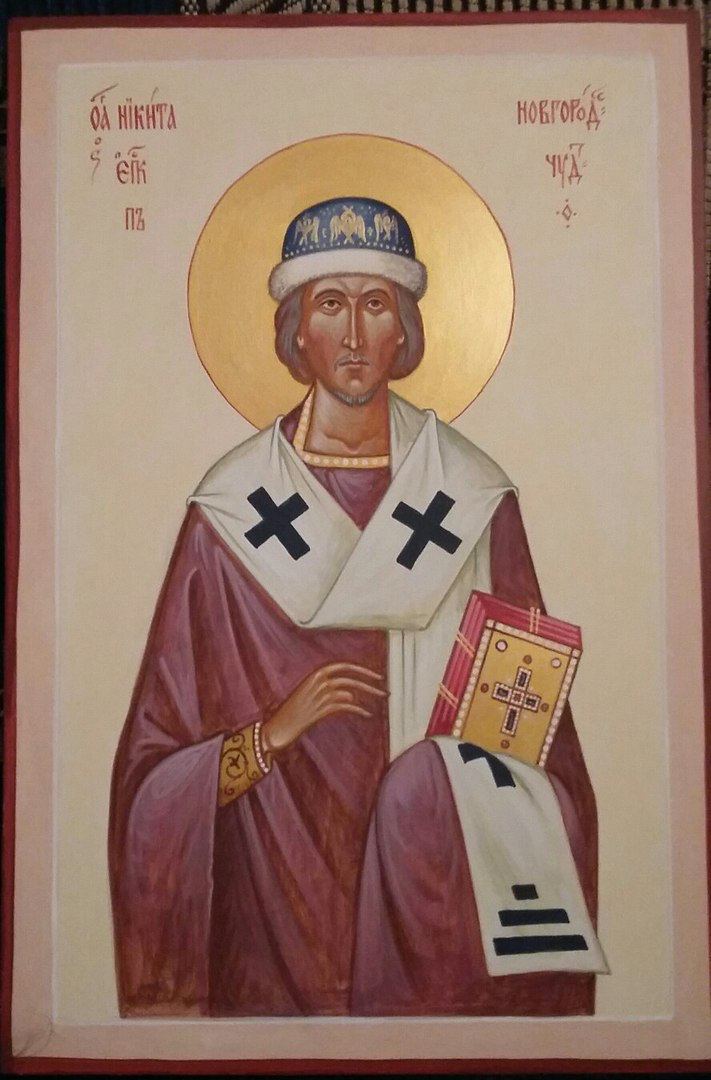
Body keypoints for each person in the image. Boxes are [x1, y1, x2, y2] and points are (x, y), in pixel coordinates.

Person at [109, 197, 604, 1018]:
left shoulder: (471, 498)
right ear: (295, 331)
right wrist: (270, 736)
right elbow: (151, 778)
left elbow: (535, 731)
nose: (350, 334)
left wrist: (435, 790)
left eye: (374, 304)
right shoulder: (227, 515)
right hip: (273, 900)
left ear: (403, 331)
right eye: (328, 304)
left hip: (434, 890)